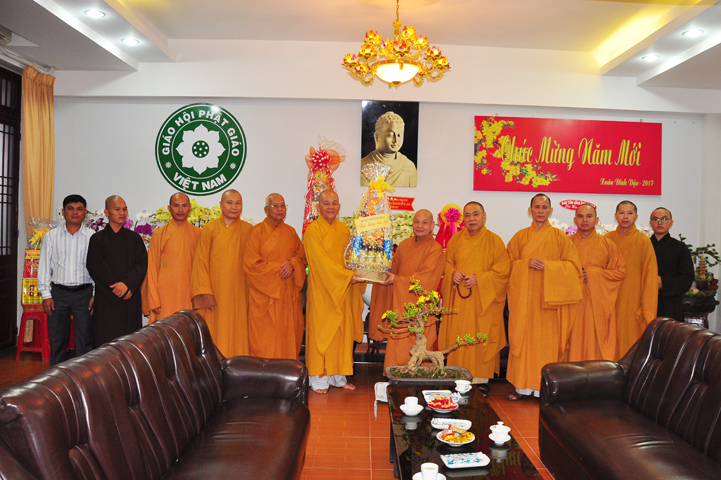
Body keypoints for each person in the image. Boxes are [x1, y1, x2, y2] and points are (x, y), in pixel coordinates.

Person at [506, 194, 583, 400]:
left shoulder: (560, 238)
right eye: (537, 207)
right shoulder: (519, 237)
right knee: (524, 343)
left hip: (550, 303)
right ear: (530, 210)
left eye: (544, 207)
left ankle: (545, 389)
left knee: (546, 347)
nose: (540, 211)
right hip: (524, 302)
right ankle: (521, 387)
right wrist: (525, 264)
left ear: (551, 211)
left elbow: (574, 268)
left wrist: (549, 267)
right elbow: (507, 266)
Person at [439, 202, 510, 395]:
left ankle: (480, 380)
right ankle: (456, 377)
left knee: (480, 339)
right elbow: (446, 263)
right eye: (468, 215)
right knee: (458, 339)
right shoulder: (455, 240)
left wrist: (481, 278)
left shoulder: (495, 241)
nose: (472, 219)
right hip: (460, 302)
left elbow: (503, 271)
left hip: (483, 302)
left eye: (476, 214)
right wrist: (452, 272)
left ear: (484, 216)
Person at [304, 190, 365, 393]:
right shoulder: (313, 230)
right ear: (318, 206)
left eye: (334, 203)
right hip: (322, 290)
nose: (331, 207)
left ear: (339, 206)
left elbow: (350, 259)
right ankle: (319, 379)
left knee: (341, 333)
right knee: (323, 333)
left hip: (342, 289)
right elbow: (319, 261)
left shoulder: (343, 229)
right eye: (326, 203)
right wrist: (347, 276)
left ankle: (338, 376)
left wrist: (363, 268)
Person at [369, 209, 445, 370]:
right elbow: (394, 269)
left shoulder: (435, 249)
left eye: (424, 222)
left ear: (432, 225)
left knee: (419, 343)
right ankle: (396, 375)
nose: (420, 226)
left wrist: (397, 281)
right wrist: (378, 267)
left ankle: (417, 376)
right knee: (398, 342)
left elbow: (426, 279)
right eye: (417, 221)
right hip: (400, 303)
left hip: (420, 307)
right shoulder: (404, 245)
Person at [243, 193, 307, 359]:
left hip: (287, 297)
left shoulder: (291, 232)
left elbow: (302, 258)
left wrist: (292, 264)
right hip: (264, 296)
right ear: (266, 210)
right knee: (264, 339)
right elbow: (251, 264)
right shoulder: (256, 232)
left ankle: (287, 370)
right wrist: (278, 269)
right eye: (275, 206)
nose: (280, 209)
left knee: (288, 336)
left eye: (282, 206)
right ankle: (263, 371)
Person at [191, 189, 253, 358]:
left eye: (238, 203)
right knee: (216, 333)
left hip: (242, 293)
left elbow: (256, 262)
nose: (234, 207)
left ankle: (239, 367)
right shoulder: (209, 229)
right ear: (220, 205)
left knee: (240, 331)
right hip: (216, 295)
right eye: (229, 202)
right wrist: (205, 295)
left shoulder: (249, 230)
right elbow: (200, 262)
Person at [37, 194, 95, 365]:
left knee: (85, 342)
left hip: (84, 294)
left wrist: (95, 293)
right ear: (63, 212)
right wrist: (46, 295)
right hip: (58, 295)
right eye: (70, 209)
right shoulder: (51, 236)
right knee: (57, 342)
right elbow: (44, 267)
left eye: (79, 209)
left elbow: (98, 269)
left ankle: (84, 376)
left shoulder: (92, 237)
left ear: (85, 212)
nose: (75, 213)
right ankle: (57, 378)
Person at [566, 204, 626, 362]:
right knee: (572, 341)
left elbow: (619, 272)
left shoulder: (607, 245)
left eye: (589, 216)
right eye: (580, 216)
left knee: (595, 342)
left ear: (597, 220)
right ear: (575, 220)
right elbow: (557, 269)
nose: (584, 220)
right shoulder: (566, 243)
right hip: (572, 302)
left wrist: (593, 274)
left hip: (597, 304)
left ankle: (596, 374)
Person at [86, 195, 148, 347]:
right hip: (106, 299)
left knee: (130, 344)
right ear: (106, 212)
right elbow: (95, 267)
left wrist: (128, 285)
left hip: (129, 298)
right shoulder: (97, 239)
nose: (122, 213)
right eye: (117, 209)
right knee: (105, 345)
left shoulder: (134, 238)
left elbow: (142, 264)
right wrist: (118, 288)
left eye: (124, 209)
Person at [605, 201, 658, 359]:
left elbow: (650, 276)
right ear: (616, 216)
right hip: (609, 300)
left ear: (636, 217)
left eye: (630, 213)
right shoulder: (606, 240)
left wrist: (647, 307)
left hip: (632, 300)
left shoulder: (643, 241)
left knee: (630, 343)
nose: (625, 216)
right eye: (622, 213)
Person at [141, 192, 201, 323]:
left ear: (190, 208)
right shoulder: (159, 234)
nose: (180, 210)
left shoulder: (199, 234)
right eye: (176, 206)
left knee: (188, 331)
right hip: (164, 296)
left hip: (189, 295)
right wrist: (153, 299)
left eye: (184, 206)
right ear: (169, 208)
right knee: (165, 332)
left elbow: (203, 269)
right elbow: (151, 269)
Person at [649, 207, 694, 321]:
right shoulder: (643, 246)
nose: (660, 222)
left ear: (671, 223)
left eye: (664, 219)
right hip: (646, 301)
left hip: (671, 304)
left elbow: (687, 278)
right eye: (656, 219)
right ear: (651, 223)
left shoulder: (680, 247)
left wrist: (663, 282)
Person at [360, 112, 417, 187]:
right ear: (377, 137)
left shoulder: (409, 166)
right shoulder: (363, 165)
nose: (395, 140)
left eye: (399, 135)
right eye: (390, 135)